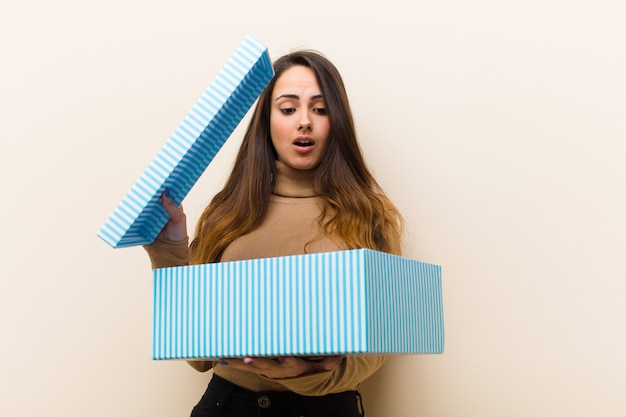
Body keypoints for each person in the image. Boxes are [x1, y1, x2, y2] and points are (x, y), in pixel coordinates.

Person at [144, 50, 404, 417]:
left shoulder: (368, 216)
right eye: (288, 109)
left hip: (326, 409)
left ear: (337, 122)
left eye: (320, 109)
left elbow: (373, 353)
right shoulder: (227, 211)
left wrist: (302, 374)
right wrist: (169, 253)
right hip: (228, 405)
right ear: (266, 121)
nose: (305, 122)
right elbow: (197, 353)